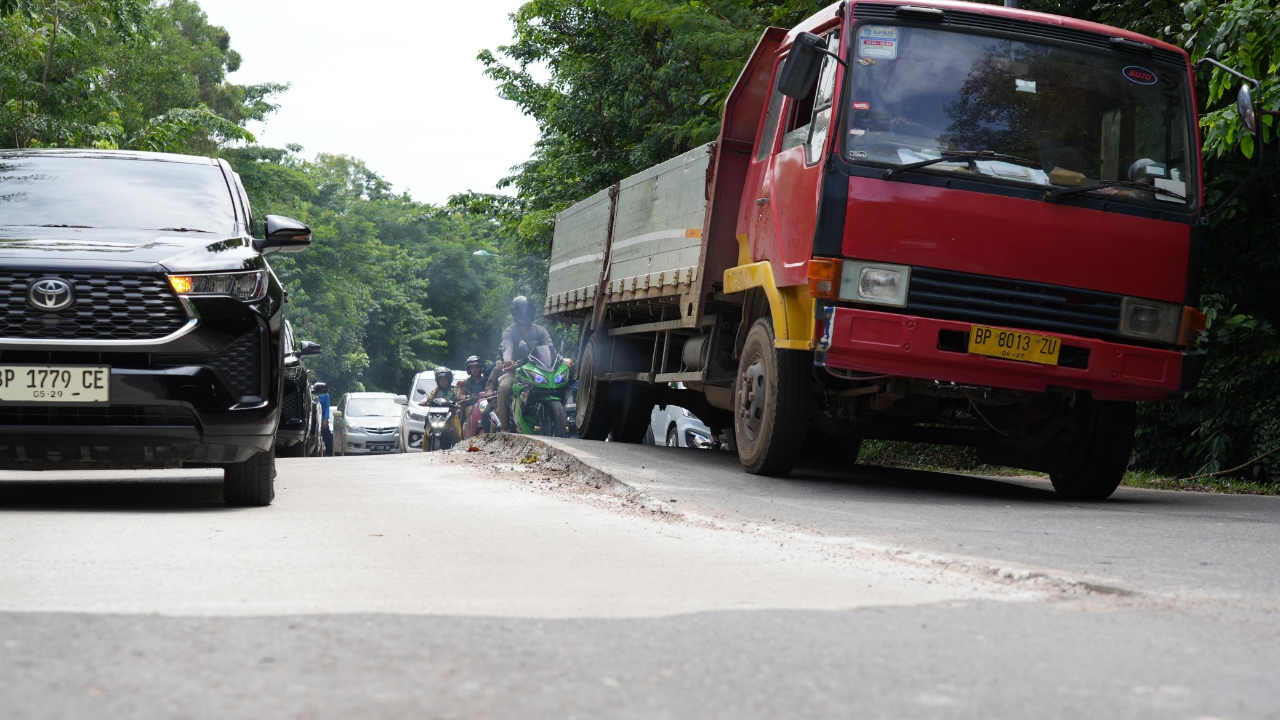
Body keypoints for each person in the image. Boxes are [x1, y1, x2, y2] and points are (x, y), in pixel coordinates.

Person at [490, 296, 554, 432]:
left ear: (532, 313)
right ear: (515, 315)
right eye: (520, 314)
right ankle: (505, 427)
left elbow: (550, 348)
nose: (524, 317)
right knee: (504, 388)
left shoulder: (540, 331)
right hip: (514, 371)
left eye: (527, 314)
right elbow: (507, 348)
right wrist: (508, 360)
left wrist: (556, 358)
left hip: (538, 371)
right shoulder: (509, 332)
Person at [421, 366, 465, 449]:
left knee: (457, 435)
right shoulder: (435, 391)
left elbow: (459, 398)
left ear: (449, 380)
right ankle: (425, 452)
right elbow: (429, 398)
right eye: (441, 380)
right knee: (426, 434)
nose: (443, 382)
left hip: (451, 415)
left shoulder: (454, 390)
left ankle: (458, 450)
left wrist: (460, 401)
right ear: (438, 381)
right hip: (435, 415)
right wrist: (425, 400)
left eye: (445, 380)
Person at [313, 382, 333, 457]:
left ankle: (329, 452)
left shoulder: (325, 395)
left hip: (323, 417)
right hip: (314, 418)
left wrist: (326, 419)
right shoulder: (313, 396)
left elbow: (327, 407)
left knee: (327, 436)